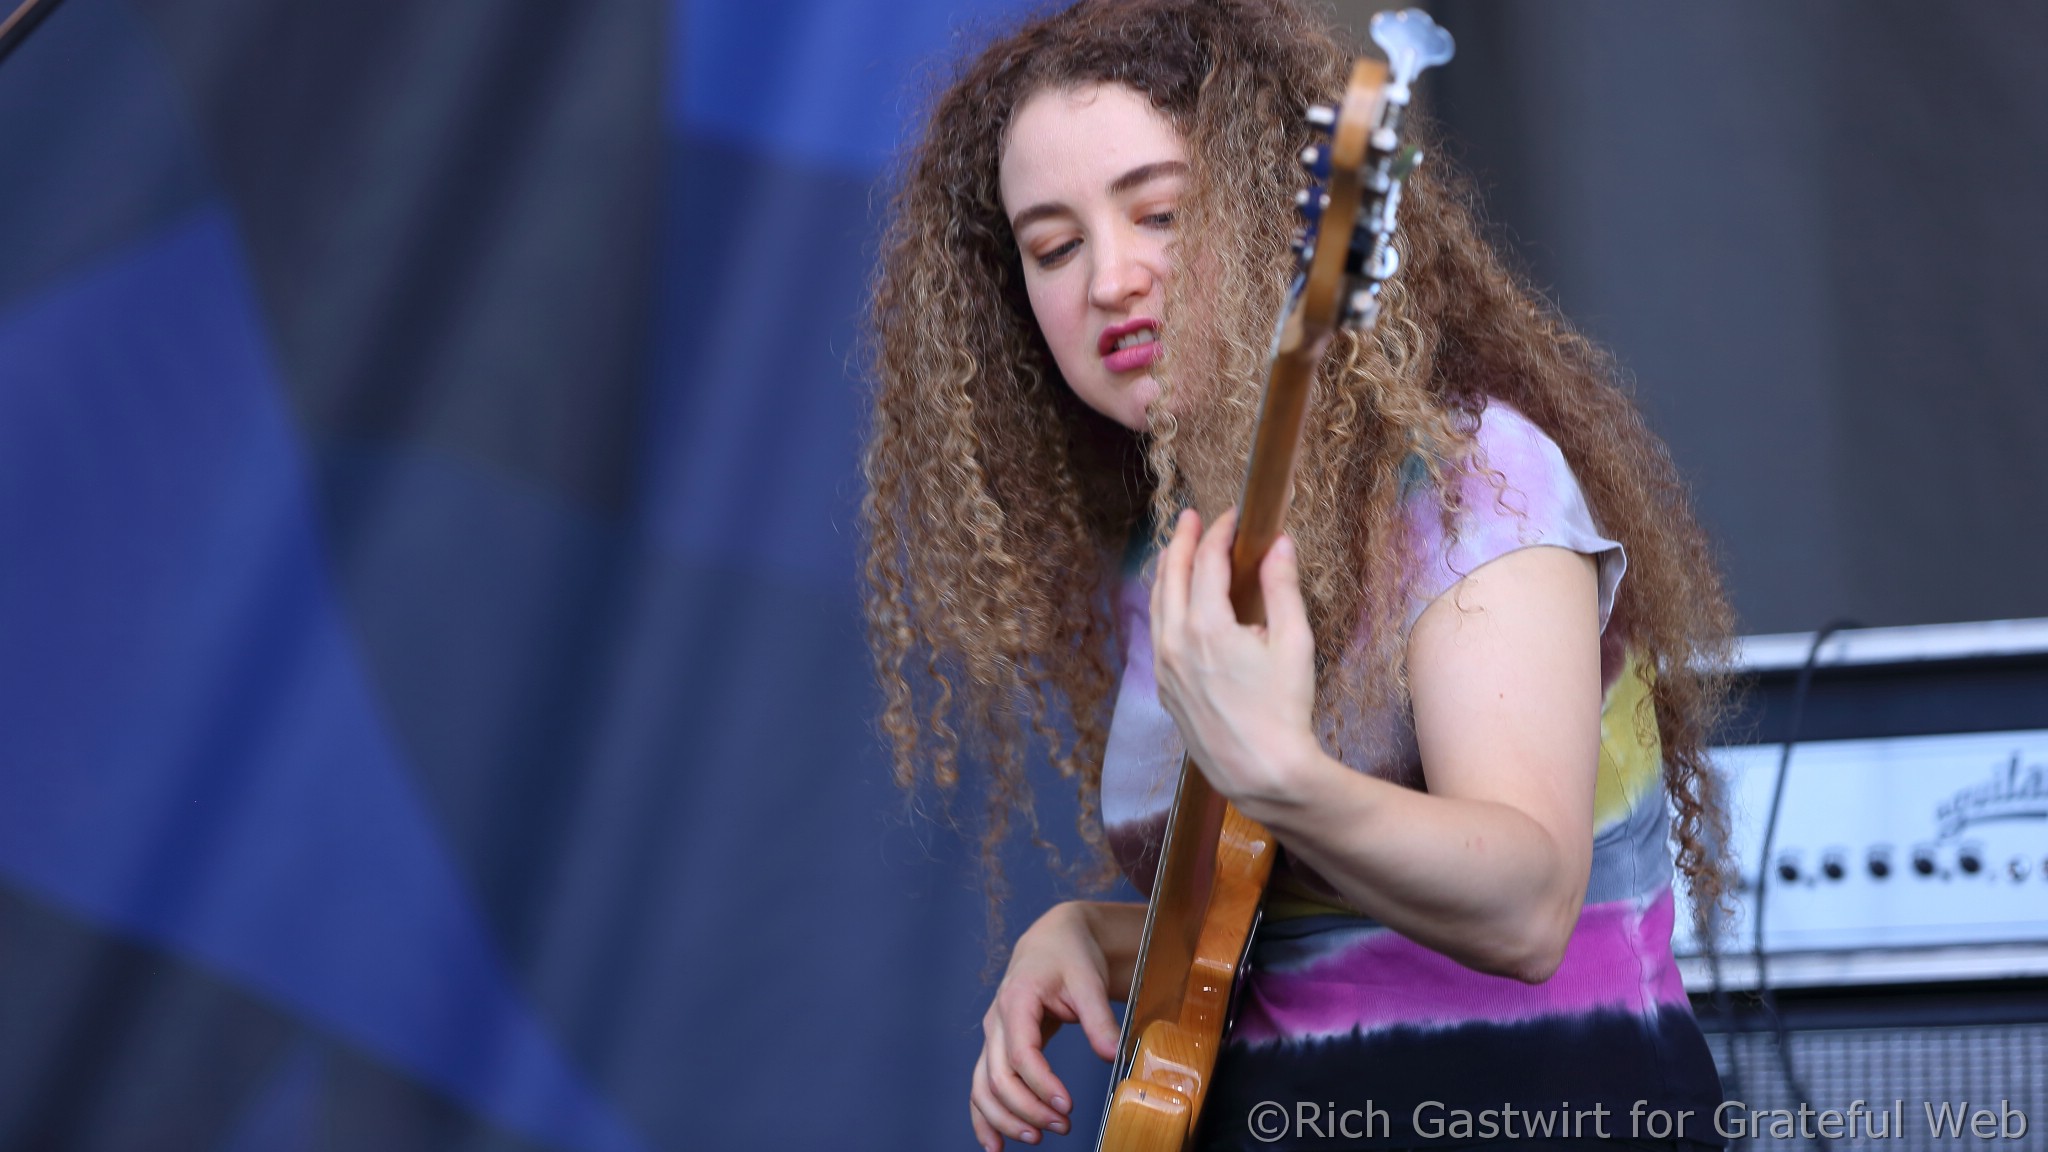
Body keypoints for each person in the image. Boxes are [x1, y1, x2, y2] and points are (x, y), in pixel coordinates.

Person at [861, 2, 1735, 1149]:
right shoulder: (1168, 550)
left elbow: (1524, 907)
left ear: (1288, 212)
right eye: (1054, 246)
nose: (1112, 277)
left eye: (1160, 212)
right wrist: (1083, 934)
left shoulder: (1466, 480)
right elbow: (1290, 925)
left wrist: (1280, 772)